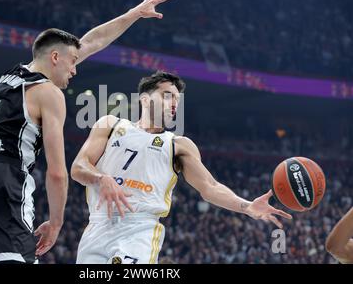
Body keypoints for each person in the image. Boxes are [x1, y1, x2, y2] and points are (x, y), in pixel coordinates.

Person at [0, 0, 174, 264]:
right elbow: (58, 172)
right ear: (54, 58)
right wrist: (57, 222)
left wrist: (133, 14)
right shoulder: (49, 92)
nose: (75, 69)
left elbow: (91, 43)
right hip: (2, 179)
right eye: (72, 62)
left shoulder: (11, 76)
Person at [71, 71, 293, 264]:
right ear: (145, 100)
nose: (174, 103)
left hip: (139, 230)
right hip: (97, 226)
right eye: (167, 96)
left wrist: (247, 207)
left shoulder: (178, 145)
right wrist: (101, 178)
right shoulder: (110, 125)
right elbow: (79, 167)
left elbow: (210, 187)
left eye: (177, 99)